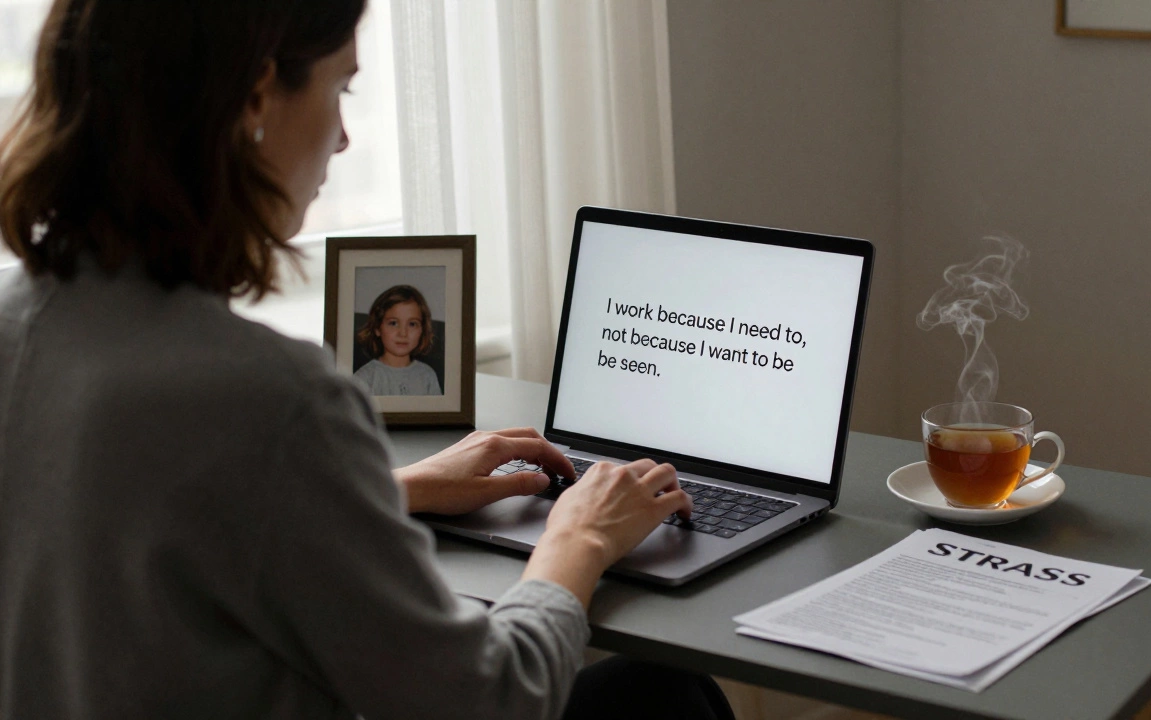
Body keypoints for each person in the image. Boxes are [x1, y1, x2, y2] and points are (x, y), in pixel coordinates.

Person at [0, 1, 733, 719]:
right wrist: (582, 536)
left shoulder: (16, 323)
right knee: (664, 694)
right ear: (257, 94)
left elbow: (151, 511)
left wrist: (389, 489)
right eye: (339, 88)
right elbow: (491, 700)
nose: (345, 138)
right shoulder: (275, 401)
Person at [353, 284, 443, 396]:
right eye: (393, 323)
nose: (403, 333)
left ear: (422, 330)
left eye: (412, 324)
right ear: (377, 328)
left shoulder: (427, 375)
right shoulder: (365, 378)